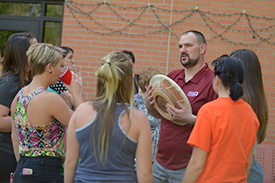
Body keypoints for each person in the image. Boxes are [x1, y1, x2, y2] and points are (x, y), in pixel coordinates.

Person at [64, 51, 153, 183]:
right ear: (128, 81)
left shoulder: (81, 111)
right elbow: (144, 173)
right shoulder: (137, 119)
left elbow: (70, 162)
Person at [145, 30, 218, 183]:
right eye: (180, 46)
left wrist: (190, 118)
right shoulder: (172, 77)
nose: (182, 50)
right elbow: (160, 115)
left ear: (202, 48)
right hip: (160, 163)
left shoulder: (212, 81)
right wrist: (149, 103)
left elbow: (217, 126)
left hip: (189, 167)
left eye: (188, 45)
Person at [10, 43, 83, 182]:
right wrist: (77, 95)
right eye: (61, 66)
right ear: (49, 67)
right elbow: (82, 125)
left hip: (23, 168)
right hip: (45, 170)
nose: (62, 70)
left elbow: (15, 137)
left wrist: (25, 165)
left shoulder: (19, 96)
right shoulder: (50, 98)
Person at [182, 56, 259, 183]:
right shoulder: (251, 114)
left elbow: (196, 164)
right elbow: (248, 162)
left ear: (217, 80)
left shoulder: (208, 111)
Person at [0, 32, 37, 182]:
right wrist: (32, 119)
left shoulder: (28, 80)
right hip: (6, 153)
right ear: (22, 55)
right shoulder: (10, 83)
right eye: (33, 51)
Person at [230, 49, 269, 183]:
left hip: (241, 172)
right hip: (252, 170)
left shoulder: (240, 103)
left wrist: (191, 118)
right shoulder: (258, 100)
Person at [133, 67, 161, 163]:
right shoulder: (136, 101)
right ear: (146, 86)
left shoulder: (159, 102)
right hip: (142, 154)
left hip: (158, 157)